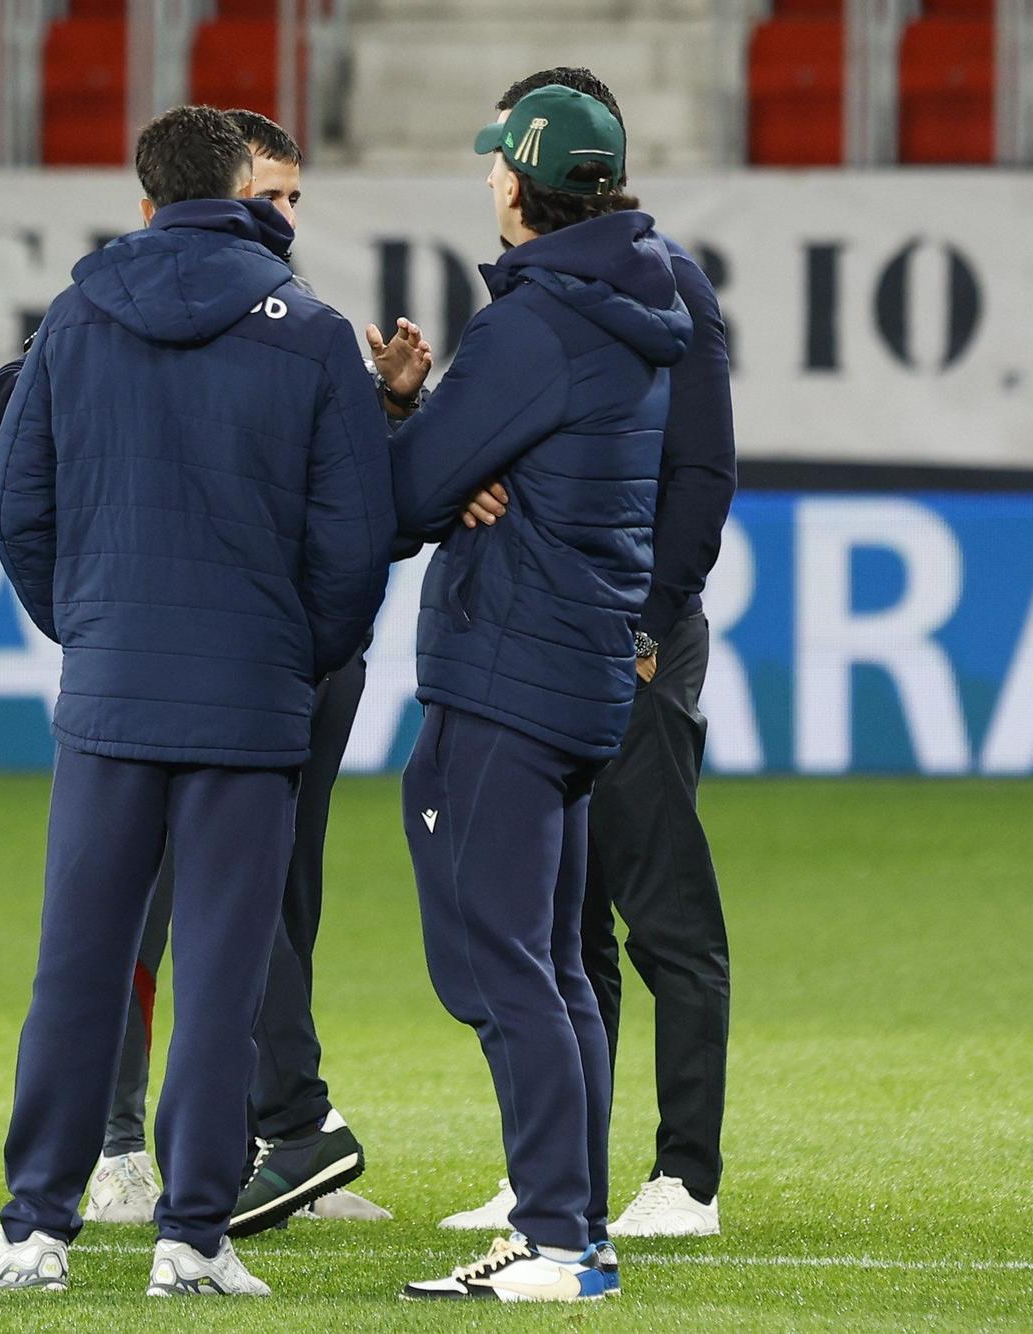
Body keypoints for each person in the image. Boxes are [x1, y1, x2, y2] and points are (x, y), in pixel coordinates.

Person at [0, 105, 395, 1298]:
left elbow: (17, 502)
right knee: (218, 977)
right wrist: (293, 653)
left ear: (146, 199)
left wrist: (90, 627)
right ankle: (193, 1238)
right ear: (248, 198)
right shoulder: (313, 334)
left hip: (111, 691)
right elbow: (352, 541)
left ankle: (33, 1228)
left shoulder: (74, 317)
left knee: (77, 967)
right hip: (249, 704)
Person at [383, 86, 692, 1301]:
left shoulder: (533, 324)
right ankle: (570, 1229)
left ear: (515, 182)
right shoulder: (632, 305)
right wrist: (464, 458)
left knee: (498, 959)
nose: (485, 184)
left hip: (507, 665)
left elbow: (412, 493)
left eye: (492, 169)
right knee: (551, 961)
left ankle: (558, 1237)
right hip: (571, 664)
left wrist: (412, 422)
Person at [436, 66, 737, 1243]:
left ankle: (685, 1176)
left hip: (630, 632)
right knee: (563, 917)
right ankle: (557, 1173)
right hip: (568, 631)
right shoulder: (569, 291)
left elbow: (700, 469)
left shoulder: (665, 286)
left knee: (660, 904)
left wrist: (649, 619)